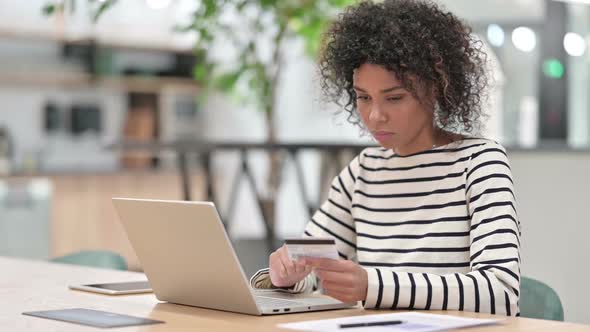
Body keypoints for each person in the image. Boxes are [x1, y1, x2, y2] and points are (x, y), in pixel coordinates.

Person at [251, 0, 520, 316]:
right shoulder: (364, 172)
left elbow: (500, 293)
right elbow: (309, 269)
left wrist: (371, 286)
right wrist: (283, 275)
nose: (375, 116)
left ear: (436, 88)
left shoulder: (479, 164)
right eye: (363, 97)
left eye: (394, 98)